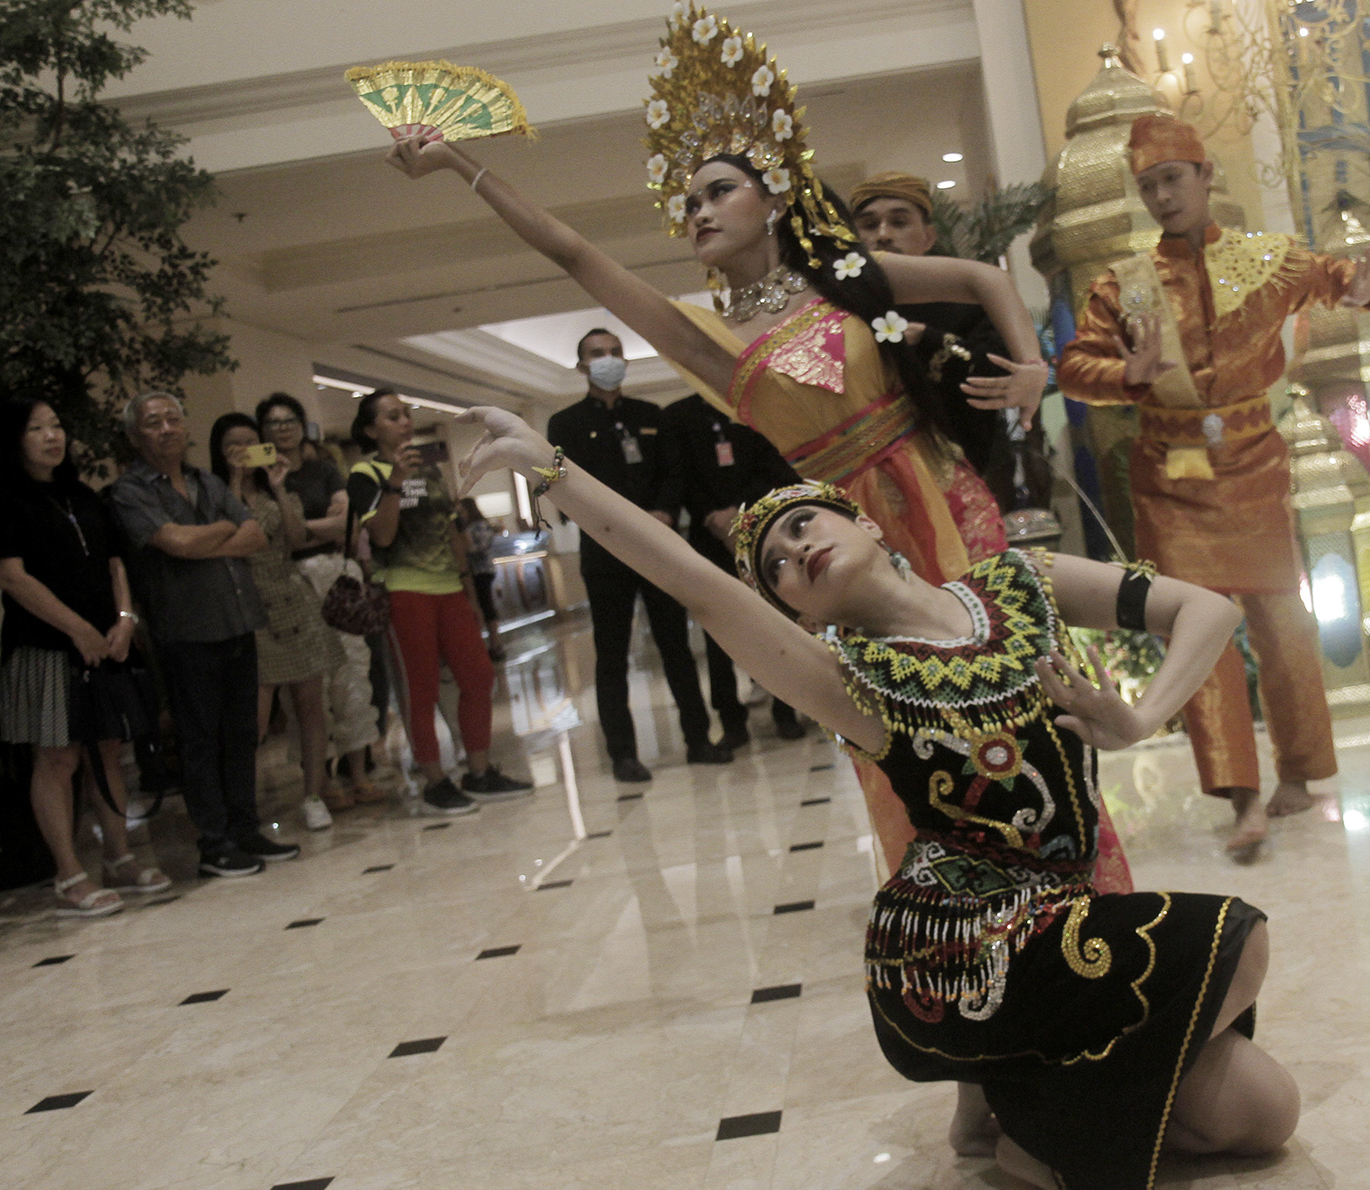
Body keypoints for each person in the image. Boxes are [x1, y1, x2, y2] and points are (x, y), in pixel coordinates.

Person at [379, 6, 1133, 894]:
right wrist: (464, 163)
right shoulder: (708, 344)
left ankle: (1087, 884)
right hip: (842, 539)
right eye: (687, 202)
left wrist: (1031, 367)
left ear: (772, 198)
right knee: (888, 717)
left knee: (1017, 686)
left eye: (717, 194)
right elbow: (573, 251)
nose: (696, 212)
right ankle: (954, 903)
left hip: (945, 499)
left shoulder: (842, 279)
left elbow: (981, 278)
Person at [454, 404, 1299, 1190]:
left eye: (800, 526)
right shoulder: (849, 680)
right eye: (775, 570)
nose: (793, 554)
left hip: (1062, 917)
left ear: (859, 518)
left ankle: (1013, 1104)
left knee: (1264, 1118)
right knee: (1235, 940)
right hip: (964, 946)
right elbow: (689, 580)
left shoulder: (1020, 581)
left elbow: (1206, 610)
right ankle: (1030, 1113)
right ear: (790, 609)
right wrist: (553, 469)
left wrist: (1137, 718)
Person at [1058, 114, 1370, 854]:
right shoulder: (1124, 287)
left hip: (1253, 465)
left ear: (1205, 175)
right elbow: (1073, 370)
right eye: (1147, 186)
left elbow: (1334, 279)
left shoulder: (1268, 261)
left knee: (1284, 624)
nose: (1160, 196)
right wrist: (1127, 374)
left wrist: (1367, 288)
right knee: (1198, 632)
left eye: (1171, 179)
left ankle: (1300, 775)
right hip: (1169, 478)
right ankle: (1239, 795)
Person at [0, 397, 171, 915]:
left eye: (56, 425)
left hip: (106, 642)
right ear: (15, 439)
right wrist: (78, 629)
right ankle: (68, 872)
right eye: (37, 428)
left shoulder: (81, 495)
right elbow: (11, 577)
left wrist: (124, 621)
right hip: (45, 647)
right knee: (57, 756)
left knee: (107, 749)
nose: (51, 436)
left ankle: (119, 857)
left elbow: (114, 561)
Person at [109, 392, 294, 877]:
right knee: (200, 739)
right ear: (135, 436)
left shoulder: (204, 480)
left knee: (242, 733)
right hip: (186, 630)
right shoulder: (131, 491)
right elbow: (173, 542)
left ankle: (246, 829)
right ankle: (214, 843)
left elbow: (254, 534)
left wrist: (198, 540)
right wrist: (209, 535)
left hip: (236, 620)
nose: (167, 428)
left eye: (174, 418)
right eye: (154, 422)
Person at [547, 330, 731, 781]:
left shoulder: (652, 417)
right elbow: (563, 483)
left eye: (614, 353)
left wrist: (664, 513)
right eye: (597, 354)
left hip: (657, 545)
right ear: (581, 366)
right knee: (611, 654)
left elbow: (674, 471)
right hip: (605, 552)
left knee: (676, 648)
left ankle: (697, 740)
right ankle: (623, 754)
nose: (607, 360)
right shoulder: (565, 424)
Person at [345, 389, 534, 813]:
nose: (404, 423)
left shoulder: (429, 472)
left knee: (478, 676)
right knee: (420, 689)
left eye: (406, 415)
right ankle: (434, 780)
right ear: (371, 429)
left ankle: (480, 772)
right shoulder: (364, 473)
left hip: (450, 588)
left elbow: (453, 533)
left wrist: (468, 591)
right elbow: (383, 537)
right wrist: (394, 482)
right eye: (392, 417)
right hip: (404, 590)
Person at [209, 414, 348, 832]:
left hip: (293, 598)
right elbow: (229, 539)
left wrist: (279, 486)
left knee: (311, 707)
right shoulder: (214, 493)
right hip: (248, 607)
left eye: (251, 443)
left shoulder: (276, 488)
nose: (244, 452)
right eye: (234, 445)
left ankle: (313, 794)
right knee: (253, 717)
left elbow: (296, 537)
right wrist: (235, 482)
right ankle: (242, 805)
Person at [256, 392, 383, 806]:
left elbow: (346, 525)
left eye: (289, 420)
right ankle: (321, 782)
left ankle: (359, 772)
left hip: (335, 577)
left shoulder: (324, 470)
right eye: (273, 423)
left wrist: (294, 525)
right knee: (309, 688)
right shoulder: (261, 479)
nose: (283, 429)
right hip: (288, 583)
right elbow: (270, 536)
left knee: (352, 675)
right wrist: (310, 527)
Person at [661, 391, 807, 745]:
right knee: (718, 630)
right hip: (708, 536)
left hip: (765, 531)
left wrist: (740, 514)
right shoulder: (678, 415)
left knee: (778, 622)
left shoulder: (757, 404)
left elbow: (778, 468)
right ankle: (731, 720)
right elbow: (677, 476)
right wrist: (714, 517)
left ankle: (787, 709)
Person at [851, 171, 1013, 488]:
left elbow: (998, 374)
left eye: (899, 223)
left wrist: (927, 340)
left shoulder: (968, 299)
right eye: (870, 225)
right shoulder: (842, 310)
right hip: (866, 482)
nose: (883, 235)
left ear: (928, 237)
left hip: (960, 475)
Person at [456, 497, 506, 662]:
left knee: (486, 605)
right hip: (471, 572)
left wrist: (463, 549)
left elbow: (482, 546)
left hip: (482, 570)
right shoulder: (465, 526)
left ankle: (495, 643)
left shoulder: (479, 526)